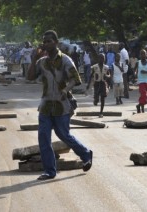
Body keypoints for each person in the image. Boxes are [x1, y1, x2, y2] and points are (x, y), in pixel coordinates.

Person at [27, 30, 93, 180]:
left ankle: (85, 154)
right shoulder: (41, 62)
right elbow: (30, 77)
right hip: (45, 104)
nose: (46, 44)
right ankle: (50, 171)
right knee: (43, 137)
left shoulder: (65, 60)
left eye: (49, 41)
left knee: (63, 134)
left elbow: (76, 79)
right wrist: (33, 59)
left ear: (56, 42)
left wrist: (65, 90)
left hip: (62, 104)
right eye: (44, 41)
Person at [86, 53, 111, 118]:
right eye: (100, 58)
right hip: (96, 84)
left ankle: (101, 112)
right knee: (96, 98)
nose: (101, 59)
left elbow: (109, 75)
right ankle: (95, 100)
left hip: (103, 83)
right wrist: (88, 84)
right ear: (98, 59)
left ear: (104, 59)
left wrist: (107, 76)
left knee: (103, 98)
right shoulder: (94, 67)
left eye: (103, 58)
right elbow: (91, 75)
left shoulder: (106, 67)